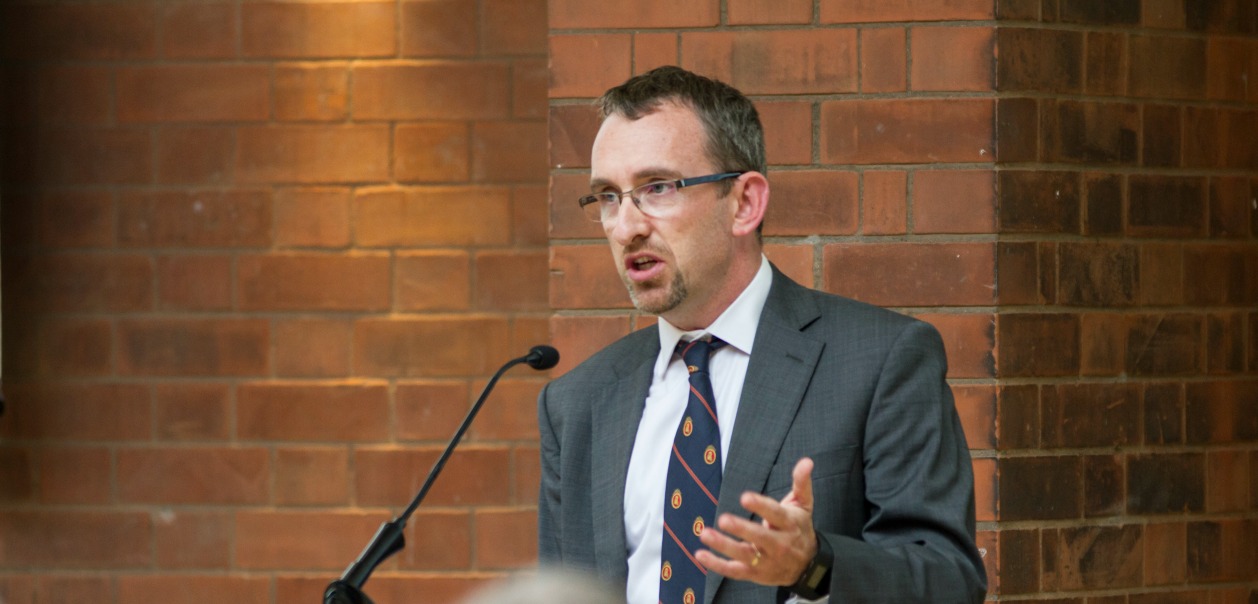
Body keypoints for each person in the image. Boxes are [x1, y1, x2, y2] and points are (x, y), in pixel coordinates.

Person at [536, 65, 987, 603]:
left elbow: (948, 583)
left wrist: (813, 564)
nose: (626, 227)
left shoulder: (880, 361)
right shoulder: (577, 404)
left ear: (745, 203)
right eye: (608, 197)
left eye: (657, 188)